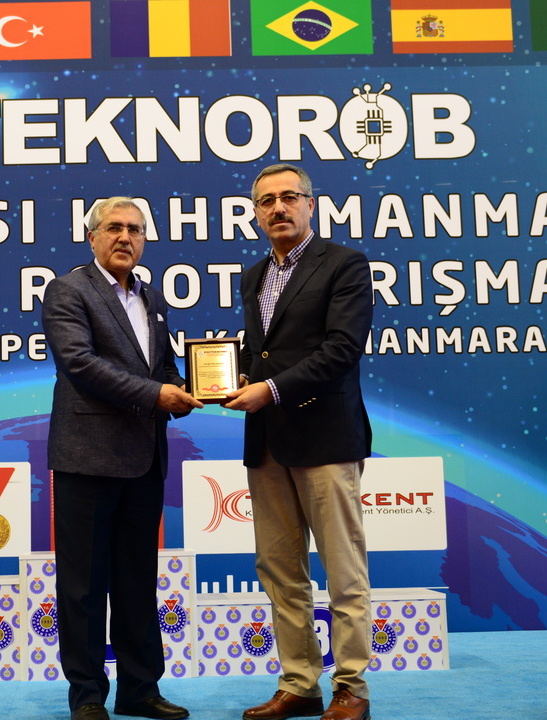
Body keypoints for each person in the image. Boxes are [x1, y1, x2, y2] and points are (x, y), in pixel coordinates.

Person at [223, 164, 374, 720]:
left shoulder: (344, 264)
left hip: (325, 437)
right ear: (256, 214)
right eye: (266, 201)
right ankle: (300, 683)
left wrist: (268, 389)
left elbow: (342, 349)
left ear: (311, 204)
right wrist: (236, 377)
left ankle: (351, 687)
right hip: (267, 442)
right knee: (280, 571)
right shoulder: (254, 275)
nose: (278, 208)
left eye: (289, 197)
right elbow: (263, 352)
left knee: (343, 570)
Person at [43, 196, 203, 720]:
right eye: (114, 227)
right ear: (92, 237)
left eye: (135, 229)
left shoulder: (152, 297)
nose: (125, 238)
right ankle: (88, 695)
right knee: (84, 587)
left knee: (137, 583)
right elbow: (80, 363)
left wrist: (195, 388)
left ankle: (140, 689)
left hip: (144, 459)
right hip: (86, 459)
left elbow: (162, 366)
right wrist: (158, 396)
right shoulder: (68, 290)